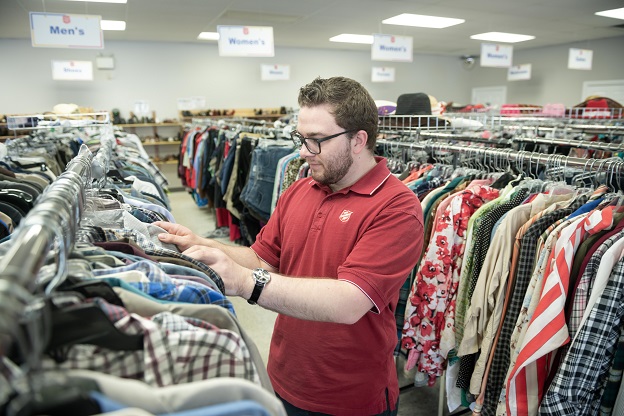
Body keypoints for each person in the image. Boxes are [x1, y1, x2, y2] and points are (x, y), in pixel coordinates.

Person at [156, 76, 424, 415]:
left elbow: (350, 302)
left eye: (316, 140)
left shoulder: (397, 207)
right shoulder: (300, 189)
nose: (301, 151)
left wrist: (243, 282)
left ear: (358, 140)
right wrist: (203, 245)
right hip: (283, 378)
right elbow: (262, 258)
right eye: (300, 138)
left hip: (351, 397)